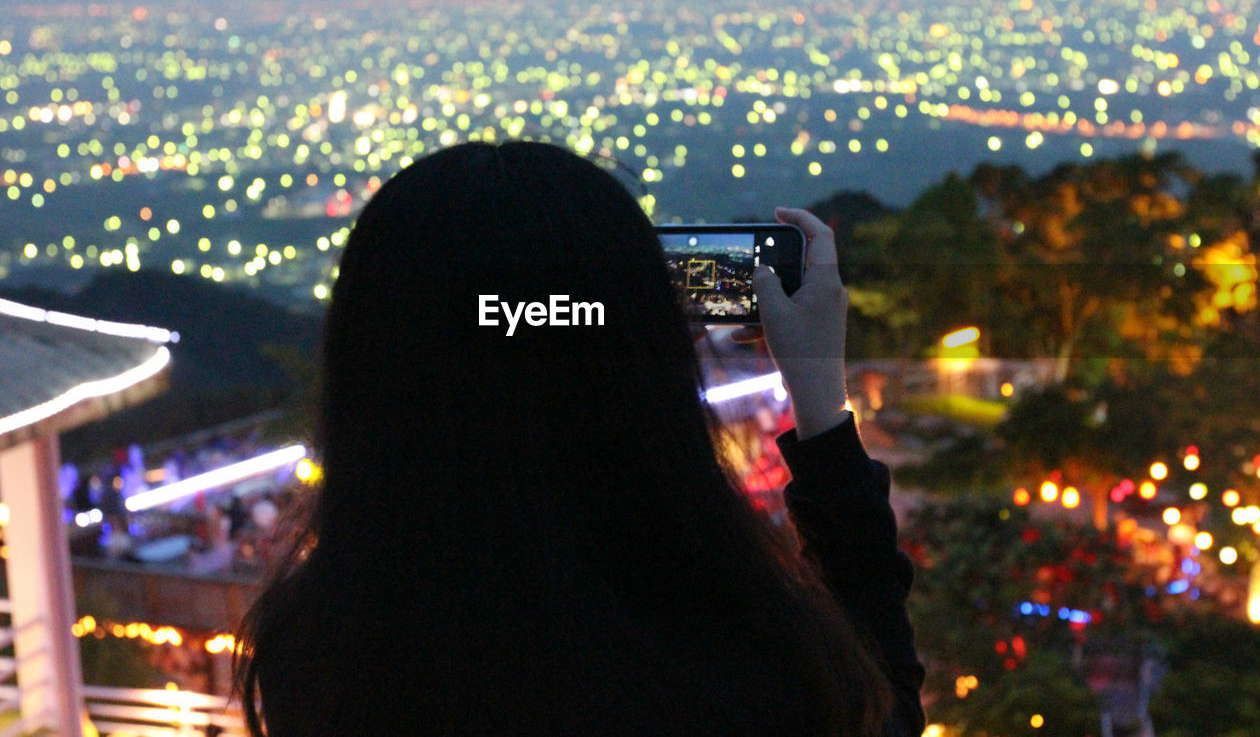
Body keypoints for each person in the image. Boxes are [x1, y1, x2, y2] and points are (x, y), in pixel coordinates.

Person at [234, 141, 925, 735]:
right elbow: (882, 705)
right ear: (648, 383)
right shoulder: (748, 671)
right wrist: (820, 406)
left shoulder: (317, 659)